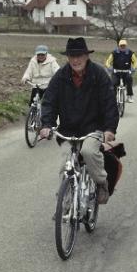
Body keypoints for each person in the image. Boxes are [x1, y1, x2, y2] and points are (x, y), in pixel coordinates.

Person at [39, 37, 119, 205]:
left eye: (79, 56)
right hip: (68, 130)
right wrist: (46, 125)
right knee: (65, 165)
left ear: (86, 56)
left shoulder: (98, 75)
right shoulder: (60, 76)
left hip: (93, 128)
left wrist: (109, 129)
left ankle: (102, 183)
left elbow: (110, 103)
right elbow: (49, 102)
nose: (75, 60)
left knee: (89, 152)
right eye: (71, 56)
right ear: (68, 58)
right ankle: (65, 205)